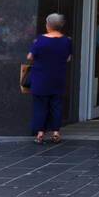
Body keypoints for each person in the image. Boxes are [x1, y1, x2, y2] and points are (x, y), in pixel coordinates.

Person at [27, 13, 73, 143]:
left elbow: (30, 56)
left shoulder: (40, 40)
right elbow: (68, 58)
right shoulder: (67, 40)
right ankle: (55, 133)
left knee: (40, 106)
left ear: (47, 25)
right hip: (57, 77)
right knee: (56, 105)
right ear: (60, 26)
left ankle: (40, 134)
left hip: (40, 78)